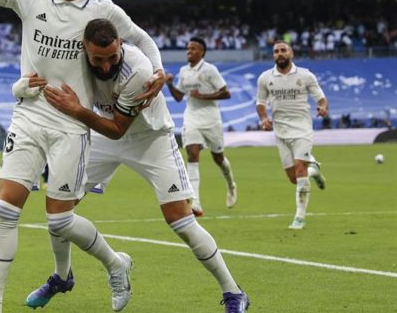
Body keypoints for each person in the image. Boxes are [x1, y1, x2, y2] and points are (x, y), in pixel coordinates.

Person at [0, 0, 165, 312]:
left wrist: (158, 70)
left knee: (60, 223)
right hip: (28, 116)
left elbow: (142, 38)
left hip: (72, 126)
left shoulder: (104, 11)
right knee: (6, 209)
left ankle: (115, 262)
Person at [19, 19, 249, 313]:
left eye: (112, 58)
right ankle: (62, 277)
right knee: (59, 209)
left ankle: (233, 292)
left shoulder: (138, 71)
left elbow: (117, 129)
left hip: (149, 138)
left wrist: (76, 109)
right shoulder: (73, 59)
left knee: (181, 221)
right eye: (97, 60)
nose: (105, 67)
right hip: (101, 136)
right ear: (84, 49)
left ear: (121, 46)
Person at [256, 41, 328, 230]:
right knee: (293, 178)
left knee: (299, 169)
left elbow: (320, 97)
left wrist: (322, 107)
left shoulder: (305, 75)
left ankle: (300, 217)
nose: (279, 54)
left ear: (291, 53)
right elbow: (260, 102)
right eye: (276, 51)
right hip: (280, 131)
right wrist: (263, 118)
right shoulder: (265, 78)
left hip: (302, 129)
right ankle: (315, 170)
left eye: (283, 50)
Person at [165, 37, 237, 216]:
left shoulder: (210, 70)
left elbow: (226, 93)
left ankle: (231, 184)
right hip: (192, 118)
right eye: (188, 48)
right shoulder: (183, 71)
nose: (189, 51)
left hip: (212, 119)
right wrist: (169, 84)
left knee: (218, 158)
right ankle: (195, 202)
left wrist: (202, 96)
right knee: (192, 155)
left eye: (194, 48)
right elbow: (179, 97)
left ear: (202, 52)